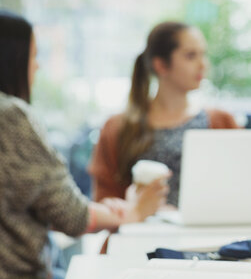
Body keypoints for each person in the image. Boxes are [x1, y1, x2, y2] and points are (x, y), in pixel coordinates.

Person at [0, 8, 168, 279]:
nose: (37, 65)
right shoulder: (7, 116)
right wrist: (131, 213)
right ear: (9, 60)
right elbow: (71, 216)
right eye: (33, 56)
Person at [88, 21, 238, 207]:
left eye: (203, 54)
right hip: (140, 232)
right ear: (161, 65)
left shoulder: (222, 121)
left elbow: (241, 187)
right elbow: (105, 201)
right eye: (191, 56)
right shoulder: (118, 127)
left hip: (206, 233)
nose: (203, 64)